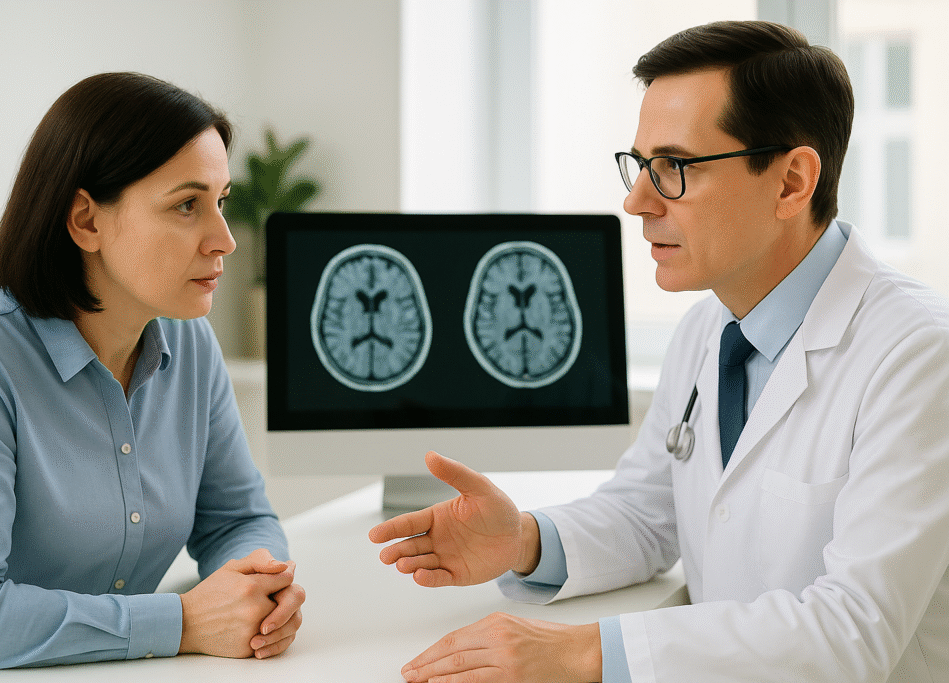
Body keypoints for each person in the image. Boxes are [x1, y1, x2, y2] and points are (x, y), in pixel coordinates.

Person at [369, 20, 949, 683]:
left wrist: (583, 651)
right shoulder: (708, 329)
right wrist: (523, 539)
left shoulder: (916, 354)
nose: (636, 201)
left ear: (791, 182)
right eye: (641, 165)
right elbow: (647, 514)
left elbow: (853, 629)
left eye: (674, 167)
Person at [0, 72, 305, 672]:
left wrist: (259, 588)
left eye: (222, 201)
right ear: (86, 221)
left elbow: (237, 519)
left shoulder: (190, 342)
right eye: (187, 205)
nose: (225, 240)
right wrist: (184, 622)